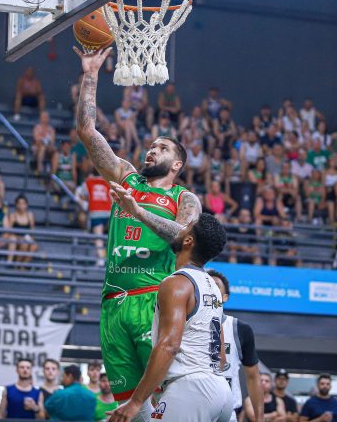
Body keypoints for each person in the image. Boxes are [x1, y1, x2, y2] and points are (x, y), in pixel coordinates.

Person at [75, 46, 201, 415]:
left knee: (163, 400)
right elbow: (87, 131)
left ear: (176, 164)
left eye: (162, 148)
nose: (152, 150)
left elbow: (183, 236)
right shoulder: (126, 177)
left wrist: (138, 211)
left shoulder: (183, 197)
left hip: (152, 300)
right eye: (151, 146)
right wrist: (91, 74)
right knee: (127, 408)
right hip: (112, 303)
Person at [105, 212, 231, 422]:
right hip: (221, 390)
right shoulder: (212, 286)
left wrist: (136, 401)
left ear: (188, 241)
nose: (178, 228)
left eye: (186, 226)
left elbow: (169, 345)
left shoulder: (176, 283)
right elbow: (221, 356)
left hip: (193, 388)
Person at [208, 270, 264, 422]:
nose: (210, 288)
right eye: (206, 285)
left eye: (215, 285)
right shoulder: (183, 324)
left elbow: (253, 377)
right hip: (192, 408)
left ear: (225, 297)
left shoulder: (239, 329)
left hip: (225, 413)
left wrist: (260, 418)